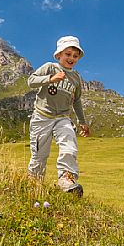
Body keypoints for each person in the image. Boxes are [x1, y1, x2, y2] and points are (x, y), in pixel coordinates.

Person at [27, 35, 90, 196]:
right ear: (59, 55)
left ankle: (66, 179)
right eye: (68, 54)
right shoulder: (50, 67)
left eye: (75, 56)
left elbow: (76, 101)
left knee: (70, 145)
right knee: (40, 155)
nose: (71, 58)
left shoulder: (75, 78)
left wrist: (83, 122)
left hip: (63, 118)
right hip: (42, 117)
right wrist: (51, 78)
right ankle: (34, 184)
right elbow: (31, 81)